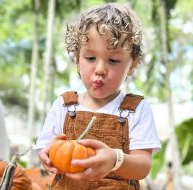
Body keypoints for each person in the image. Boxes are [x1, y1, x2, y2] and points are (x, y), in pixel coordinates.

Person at [35, 3, 161, 190]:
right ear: (77, 59)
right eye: (91, 58)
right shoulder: (64, 105)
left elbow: (143, 166)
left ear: (132, 65)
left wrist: (115, 159)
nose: (100, 69)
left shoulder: (135, 109)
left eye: (113, 60)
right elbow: (46, 150)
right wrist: (47, 157)